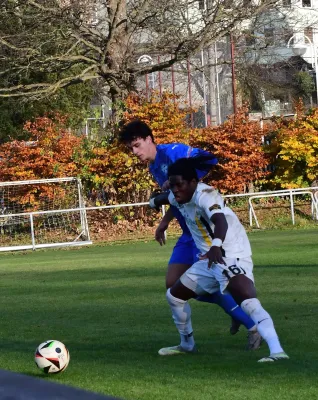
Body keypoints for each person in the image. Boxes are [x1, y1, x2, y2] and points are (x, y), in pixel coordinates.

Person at [119, 120, 262, 350]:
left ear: (149, 139)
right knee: (173, 285)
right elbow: (177, 198)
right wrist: (164, 222)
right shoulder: (154, 167)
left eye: (137, 145)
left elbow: (209, 158)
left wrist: (184, 170)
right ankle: (231, 309)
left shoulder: (173, 152)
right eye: (131, 148)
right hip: (186, 232)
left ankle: (252, 325)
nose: (135, 152)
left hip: (201, 233)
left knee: (205, 284)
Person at [152, 156, 289, 362]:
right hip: (208, 258)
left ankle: (277, 352)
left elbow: (220, 221)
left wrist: (216, 246)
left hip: (230, 254)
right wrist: (154, 200)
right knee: (174, 296)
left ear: (193, 182)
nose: (175, 190)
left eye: (179, 185)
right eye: (172, 186)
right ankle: (187, 345)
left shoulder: (207, 195)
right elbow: (165, 199)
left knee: (247, 300)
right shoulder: (177, 194)